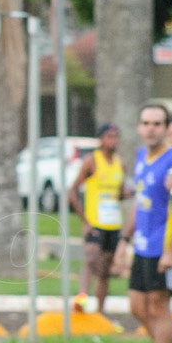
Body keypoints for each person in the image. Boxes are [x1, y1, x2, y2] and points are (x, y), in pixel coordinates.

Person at [113, 103, 172, 343]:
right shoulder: (141, 157)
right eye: (146, 123)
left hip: (163, 248)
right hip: (141, 246)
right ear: (139, 127)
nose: (151, 128)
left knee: (159, 307)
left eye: (157, 123)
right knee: (137, 308)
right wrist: (123, 241)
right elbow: (140, 205)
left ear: (166, 128)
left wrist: (171, 251)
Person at [67, 123, 127, 314]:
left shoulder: (120, 164)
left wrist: (131, 193)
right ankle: (82, 301)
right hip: (95, 223)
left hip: (113, 223)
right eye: (109, 136)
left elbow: (119, 193)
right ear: (101, 139)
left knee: (105, 269)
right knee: (91, 259)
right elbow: (73, 191)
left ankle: (101, 311)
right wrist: (85, 220)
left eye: (116, 136)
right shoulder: (92, 161)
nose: (113, 140)